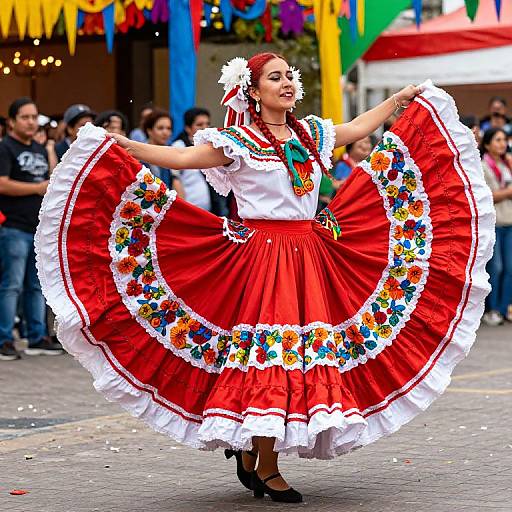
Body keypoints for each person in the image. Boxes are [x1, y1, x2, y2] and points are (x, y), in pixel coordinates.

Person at [36, 54, 494, 503]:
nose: (287, 83)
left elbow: (356, 129)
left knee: (298, 359)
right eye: (276, 78)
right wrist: (118, 147)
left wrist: (396, 101)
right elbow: (178, 158)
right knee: (271, 358)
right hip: (260, 259)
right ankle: (267, 463)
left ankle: (257, 453)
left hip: (309, 254)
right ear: (253, 91)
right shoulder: (237, 142)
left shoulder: (312, 133)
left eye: (289, 76)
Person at [0, 97, 64, 361]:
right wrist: (36, 188)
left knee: (36, 286)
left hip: (37, 230)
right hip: (13, 227)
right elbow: (2, 184)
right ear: (13, 121)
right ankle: (4, 340)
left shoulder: (39, 149)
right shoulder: (4, 148)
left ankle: (37, 337)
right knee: (11, 285)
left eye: (33, 117)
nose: (30, 122)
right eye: (24, 117)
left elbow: (50, 179)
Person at [480, 128, 512, 326]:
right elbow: (485, 196)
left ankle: (502, 309)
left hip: (509, 221)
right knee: (496, 268)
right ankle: (490, 309)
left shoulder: (507, 164)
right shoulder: (484, 166)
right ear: (487, 144)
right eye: (497, 140)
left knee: (510, 269)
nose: (502, 144)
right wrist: (507, 192)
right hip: (494, 223)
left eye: (503, 140)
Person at [172, 107, 228, 214]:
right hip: (190, 212)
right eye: (200, 125)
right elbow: (175, 179)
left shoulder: (214, 146)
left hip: (214, 210)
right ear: (188, 128)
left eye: (207, 124)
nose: (205, 128)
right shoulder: (179, 147)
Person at [142, 109, 184, 198]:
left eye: (169, 128)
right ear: (149, 130)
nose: (165, 132)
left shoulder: (172, 151)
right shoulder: (139, 153)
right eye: (160, 128)